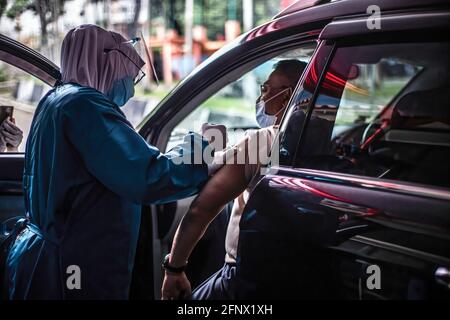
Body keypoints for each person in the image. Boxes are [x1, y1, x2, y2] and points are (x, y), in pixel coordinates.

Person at [4, 24, 216, 300]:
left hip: (46, 258)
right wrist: (200, 147)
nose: (129, 82)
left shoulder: (55, 100)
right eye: (127, 73)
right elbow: (148, 176)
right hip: (73, 266)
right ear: (105, 63)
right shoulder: (86, 107)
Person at [161, 60, 307, 300]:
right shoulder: (328, 143)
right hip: (300, 273)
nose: (261, 97)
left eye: (266, 89)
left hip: (248, 276)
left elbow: (201, 210)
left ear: (286, 96)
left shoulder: (262, 143)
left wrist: (174, 269)